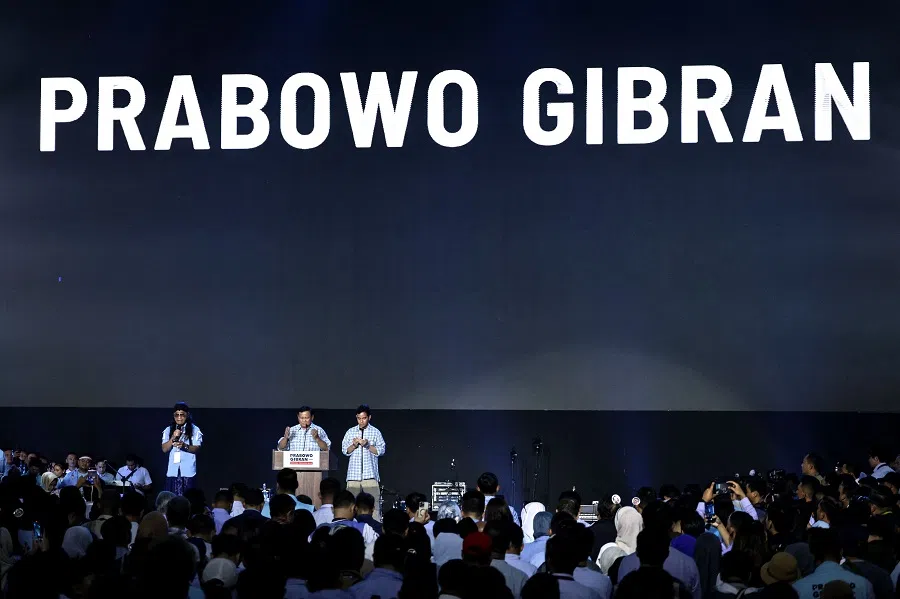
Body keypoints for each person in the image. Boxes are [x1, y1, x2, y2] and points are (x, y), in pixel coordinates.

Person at [341, 404, 386, 520]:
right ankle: (350, 526)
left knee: (374, 505)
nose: (361, 421)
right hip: (353, 475)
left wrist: (367, 445)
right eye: (359, 418)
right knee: (350, 505)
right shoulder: (350, 432)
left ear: (369, 417)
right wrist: (354, 445)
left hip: (370, 475)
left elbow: (381, 451)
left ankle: (375, 528)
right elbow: (345, 451)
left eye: (364, 418)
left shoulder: (375, 432)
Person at [161, 402, 203, 495]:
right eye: (177, 415)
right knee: (172, 498)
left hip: (187, 471)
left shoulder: (195, 430)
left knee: (187, 497)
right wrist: (173, 437)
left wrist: (184, 446)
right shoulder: (168, 430)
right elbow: (164, 449)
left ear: (187, 415)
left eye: (182, 415)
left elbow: (197, 449)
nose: (179, 417)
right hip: (173, 471)